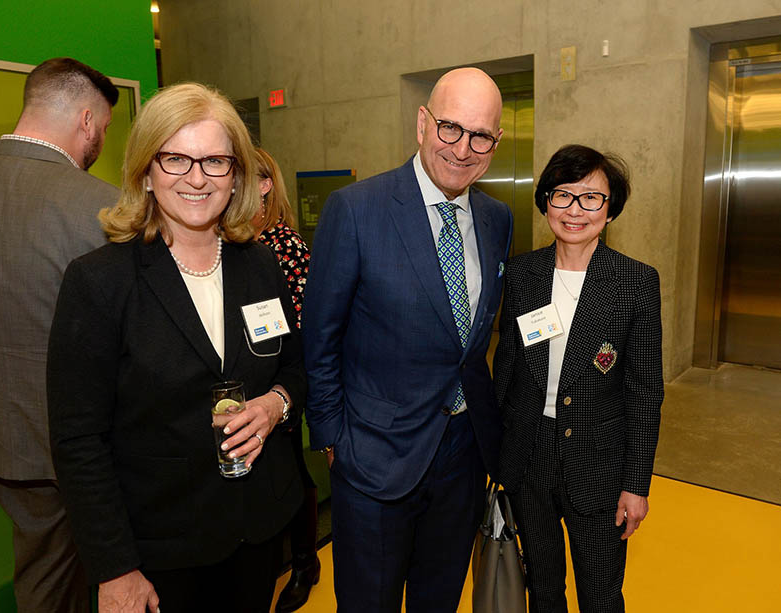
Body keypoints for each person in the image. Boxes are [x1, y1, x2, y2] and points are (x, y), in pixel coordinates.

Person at [46, 83, 306, 613]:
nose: (196, 177)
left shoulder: (259, 265)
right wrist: (115, 568)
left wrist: (276, 404)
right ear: (145, 169)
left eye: (214, 160)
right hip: (160, 553)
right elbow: (78, 440)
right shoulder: (99, 282)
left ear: (235, 175)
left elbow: (297, 368)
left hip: (257, 533)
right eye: (175, 158)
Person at [303, 67, 513, 612]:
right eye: (450, 128)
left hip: (463, 456)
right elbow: (319, 336)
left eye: (481, 136)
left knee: (439, 600)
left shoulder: (497, 219)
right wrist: (333, 440)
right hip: (372, 456)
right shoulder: (356, 210)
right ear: (422, 123)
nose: (463, 149)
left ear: (495, 144)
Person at [0, 57, 119, 613]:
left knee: (44, 566)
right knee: (82, 577)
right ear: (84, 120)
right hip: (76, 439)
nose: (100, 139)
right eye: (101, 128)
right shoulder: (98, 206)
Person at [493, 144, 664, 612]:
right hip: (530, 458)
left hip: (599, 464)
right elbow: (505, 369)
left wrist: (637, 483)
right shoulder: (523, 274)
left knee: (601, 594)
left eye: (591, 198)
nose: (575, 210)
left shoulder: (635, 282)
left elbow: (645, 392)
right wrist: (498, 459)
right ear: (545, 201)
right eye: (562, 195)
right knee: (544, 589)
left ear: (610, 211)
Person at [250, 148, 320, 613]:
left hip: (281, 387)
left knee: (290, 471)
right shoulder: (227, 243)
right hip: (244, 390)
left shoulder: (284, 247)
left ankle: (303, 562)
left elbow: (303, 326)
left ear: (265, 184)